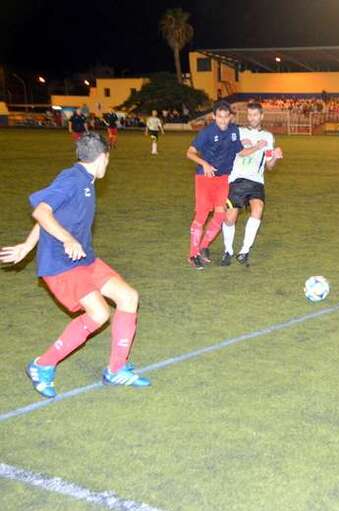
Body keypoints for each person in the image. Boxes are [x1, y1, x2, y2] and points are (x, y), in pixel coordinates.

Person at [0, 133, 150, 397]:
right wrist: (67, 238)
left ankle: (116, 369)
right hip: (61, 264)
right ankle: (42, 366)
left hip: (84, 259)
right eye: (108, 159)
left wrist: (27, 245)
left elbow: (52, 214)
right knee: (99, 314)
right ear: (103, 157)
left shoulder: (86, 179)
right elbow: (41, 211)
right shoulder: (71, 179)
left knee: (128, 297)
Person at [186, 101, 249, 269]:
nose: (223, 120)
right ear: (214, 116)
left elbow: (239, 151)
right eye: (219, 117)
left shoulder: (234, 130)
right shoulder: (207, 132)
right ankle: (193, 254)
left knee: (220, 215)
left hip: (223, 179)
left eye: (226, 117)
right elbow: (190, 153)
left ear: (230, 117)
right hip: (205, 178)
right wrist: (204, 164)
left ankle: (203, 247)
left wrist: (258, 147)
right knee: (202, 215)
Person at [221, 102, 283, 267]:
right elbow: (239, 152)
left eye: (255, 115)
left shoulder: (268, 137)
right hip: (237, 179)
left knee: (258, 209)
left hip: (256, 181)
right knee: (230, 218)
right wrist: (254, 146)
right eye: (249, 115)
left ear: (261, 116)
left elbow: (269, 166)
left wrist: (275, 156)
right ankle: (228, 250)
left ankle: (244, 251)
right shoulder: (239, 132)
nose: (252, 118)